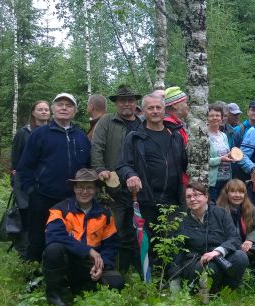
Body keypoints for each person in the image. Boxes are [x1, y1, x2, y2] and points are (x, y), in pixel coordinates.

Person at [18, 93, 91, 262]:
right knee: (37, 238)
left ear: (75, 111)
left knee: (72, 237)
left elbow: (88, 167)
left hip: (72, 200)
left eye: (69, 105)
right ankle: (33, 277)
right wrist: (32, 192)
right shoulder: (39, 134)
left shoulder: (81, 137)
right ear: (53, 109)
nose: (64, 108)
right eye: (60, 104)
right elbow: (24, 167)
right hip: (43, 197)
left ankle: (68, 275)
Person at [118, 94, 189, 266]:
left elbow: (185, 164)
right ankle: (148, 282)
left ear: (165, 110)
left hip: (173, 200)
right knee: (146, 244)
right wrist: (131, 175)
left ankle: (172, 279)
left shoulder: (175, 135)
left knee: (172, 241)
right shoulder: (134, 137)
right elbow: (123, 165)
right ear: (143, 111)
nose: (155, 111)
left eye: (158, 107)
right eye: (151, 108)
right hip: (146, 200)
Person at [42, 168, 123, 306]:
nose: (84, 192)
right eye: (80, 187)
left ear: (96, 190)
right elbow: (53, 235)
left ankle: (81, 287)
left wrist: (101, 266)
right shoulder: (59, 209)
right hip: (68, 261)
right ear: (74, 188)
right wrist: (88, 251)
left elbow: (110, 244)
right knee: (53, 249)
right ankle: (55, 295)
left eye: (89, 187)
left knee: (117, 282)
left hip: (90, 265)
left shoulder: (105, 213)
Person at [91, 85, 143, 272]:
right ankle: (110, 269)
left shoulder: (142, 123)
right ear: (116, 103)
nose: (127, 104)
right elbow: (97, 147)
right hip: (113, 188)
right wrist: (100, 169)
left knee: (136, 230)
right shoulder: (106, 121)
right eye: (122, 100)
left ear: (136, 102)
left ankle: (136, 269)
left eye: (130, 100)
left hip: (138, 188)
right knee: (114, 229)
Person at [169, 182, 248, 293]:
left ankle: (226, 291)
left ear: (206, 197)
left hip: (220, 257)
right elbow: (176, 253)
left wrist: (217, 251)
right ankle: (208, 293)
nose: (192, 199)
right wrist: (174, 279)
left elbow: (235, 239)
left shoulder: (221, 213)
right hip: (196, 263)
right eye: (188, 196)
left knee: (241, 257)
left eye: (196, 195)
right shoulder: (180, 221)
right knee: (212, 268)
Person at [10, 100, 50, 257]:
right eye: (40, 109)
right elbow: (16, 162)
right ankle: (25, 255)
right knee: (27, 219)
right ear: (33, 113)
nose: (44, 112)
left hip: (46, 185)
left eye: (46, 109)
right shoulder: (23, 133)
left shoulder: (53, 132)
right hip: (27, 185)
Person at [217, 178, 255, 276]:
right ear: (227, 194)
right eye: (233, 192)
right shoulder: (218, 211)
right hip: (228, 247)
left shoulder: (249, 208)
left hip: (246, 245)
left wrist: (250, 240)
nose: (237, 195)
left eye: (241, 192)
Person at [207, 106, 233, 201]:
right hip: (213, 182)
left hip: (226, 179)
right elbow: (202, 161)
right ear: (207, 118)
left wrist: (232, 155)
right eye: (211, 115)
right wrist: (220, 159)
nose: (215, 118)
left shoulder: (224, 136)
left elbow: (226, 154)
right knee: (212, 209)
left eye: (217, 115)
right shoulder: (204, 136)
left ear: (222, 118)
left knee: (224, 209)